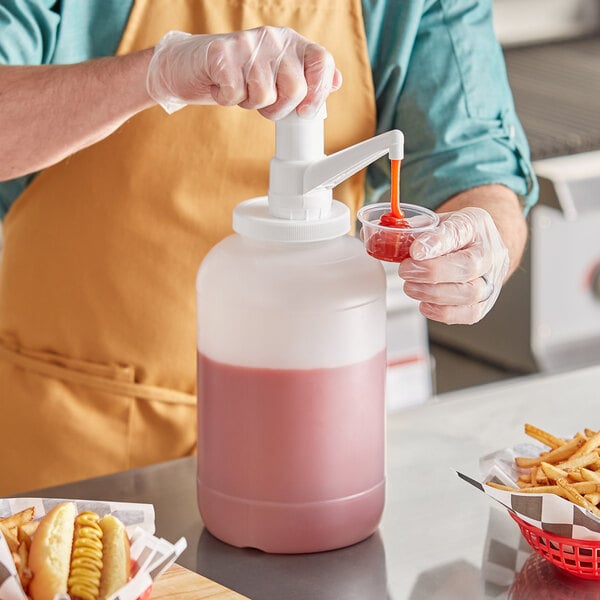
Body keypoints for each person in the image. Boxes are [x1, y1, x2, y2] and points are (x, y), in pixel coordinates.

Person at [0, 0, 537, 495]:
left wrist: (483, 238)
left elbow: (474, 165)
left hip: (300, 446)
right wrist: (154, 73)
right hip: (74, 450)